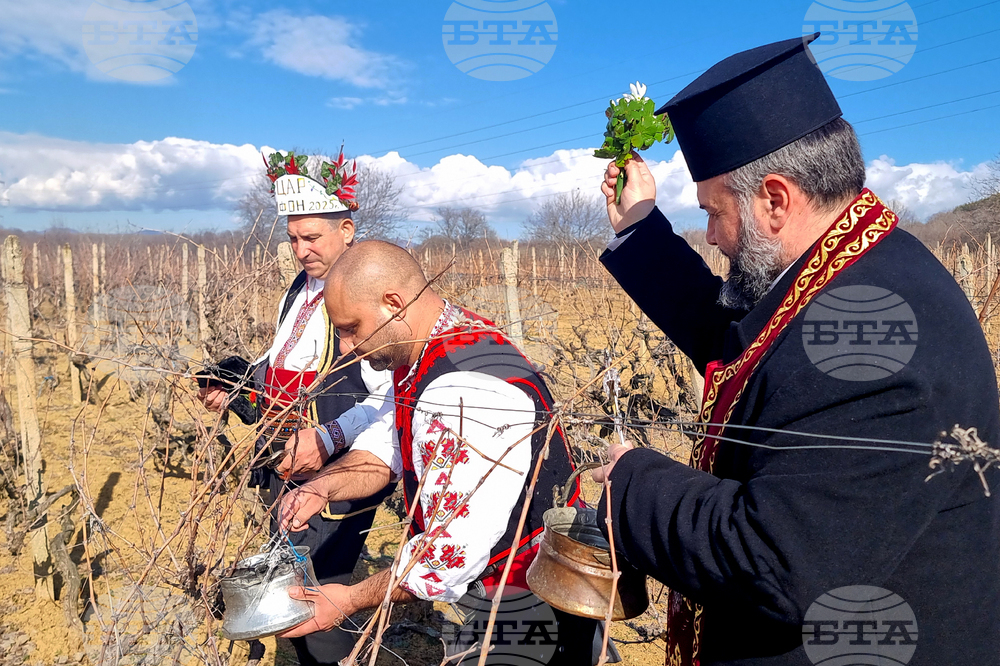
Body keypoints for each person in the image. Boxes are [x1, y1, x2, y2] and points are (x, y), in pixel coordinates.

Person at [593, 35, 1000, 665]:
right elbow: (746, 350)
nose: (710, 235)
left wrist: (630, 483)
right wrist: (640, 229)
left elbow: (779, 558)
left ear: (776, 200)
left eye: (714, 211)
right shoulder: (853, 264)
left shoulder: (875, 345)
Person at [275, 240, 610, 664]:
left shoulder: (463, 393)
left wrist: (348, 598)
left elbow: (446, 558)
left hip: (531, 600)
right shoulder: (435, 342)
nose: (343, 347)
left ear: (393, 303)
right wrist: (323, 487)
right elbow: (393, 440)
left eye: (350, 328)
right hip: (502, 588)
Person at [197, 150, 394, 666]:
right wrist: (236, 390)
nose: (301, 250)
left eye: (313, 238)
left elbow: (391, 395)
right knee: (290, 575)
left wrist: (327, 438)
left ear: (347, 230)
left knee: (321, 588)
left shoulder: (363, 293)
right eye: (293, 239)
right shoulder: (300, 290)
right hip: (284, 460)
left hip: (340, 467)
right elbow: (280, 366)